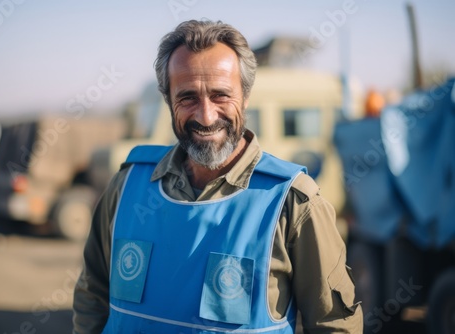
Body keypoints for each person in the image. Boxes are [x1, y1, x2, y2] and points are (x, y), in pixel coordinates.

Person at [73, 20, 363, 333]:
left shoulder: (293, 203)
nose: (206, 116)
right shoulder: (128, 185)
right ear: (169, 100)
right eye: (187, 98)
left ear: (246, 96)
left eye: (221, 95)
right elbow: (93, 295)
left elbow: (335, 325)